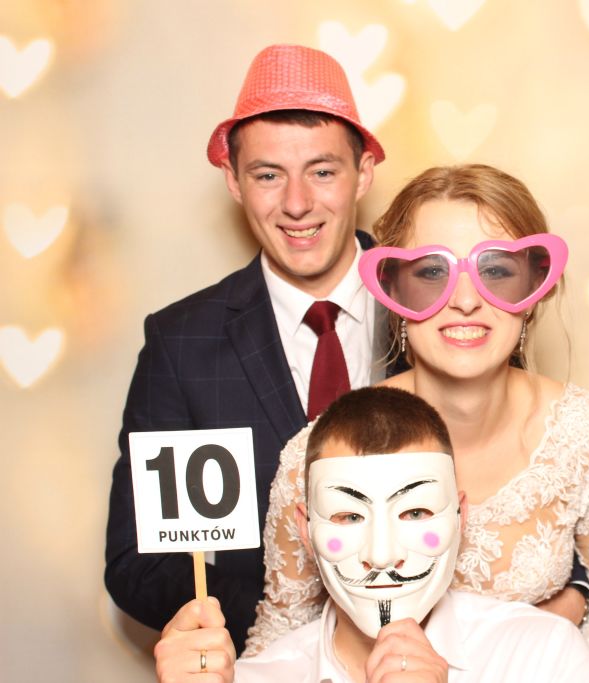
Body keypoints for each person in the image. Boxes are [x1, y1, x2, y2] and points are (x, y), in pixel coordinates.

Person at [248, 164, 589, 681]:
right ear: (392, 290)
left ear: (534, 287)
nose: (465, 300)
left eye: (496, 270)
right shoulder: (318, 455)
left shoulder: (587, 434)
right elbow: (284, 633)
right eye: (431, 273)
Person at [105, 44, 386, 651]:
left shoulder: (436, 305)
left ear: (363, 173)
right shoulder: (180, 343)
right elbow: (137, 563)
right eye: (267, 175)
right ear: (234, 181)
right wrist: (283, 617)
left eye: (322, 171)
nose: (296, 203)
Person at [154, 386, 589, 682]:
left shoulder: (543, 658)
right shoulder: (254, 678)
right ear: (305, 530)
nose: (384, 555)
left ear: (460, 516)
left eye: (416, 512)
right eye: (349, 517)